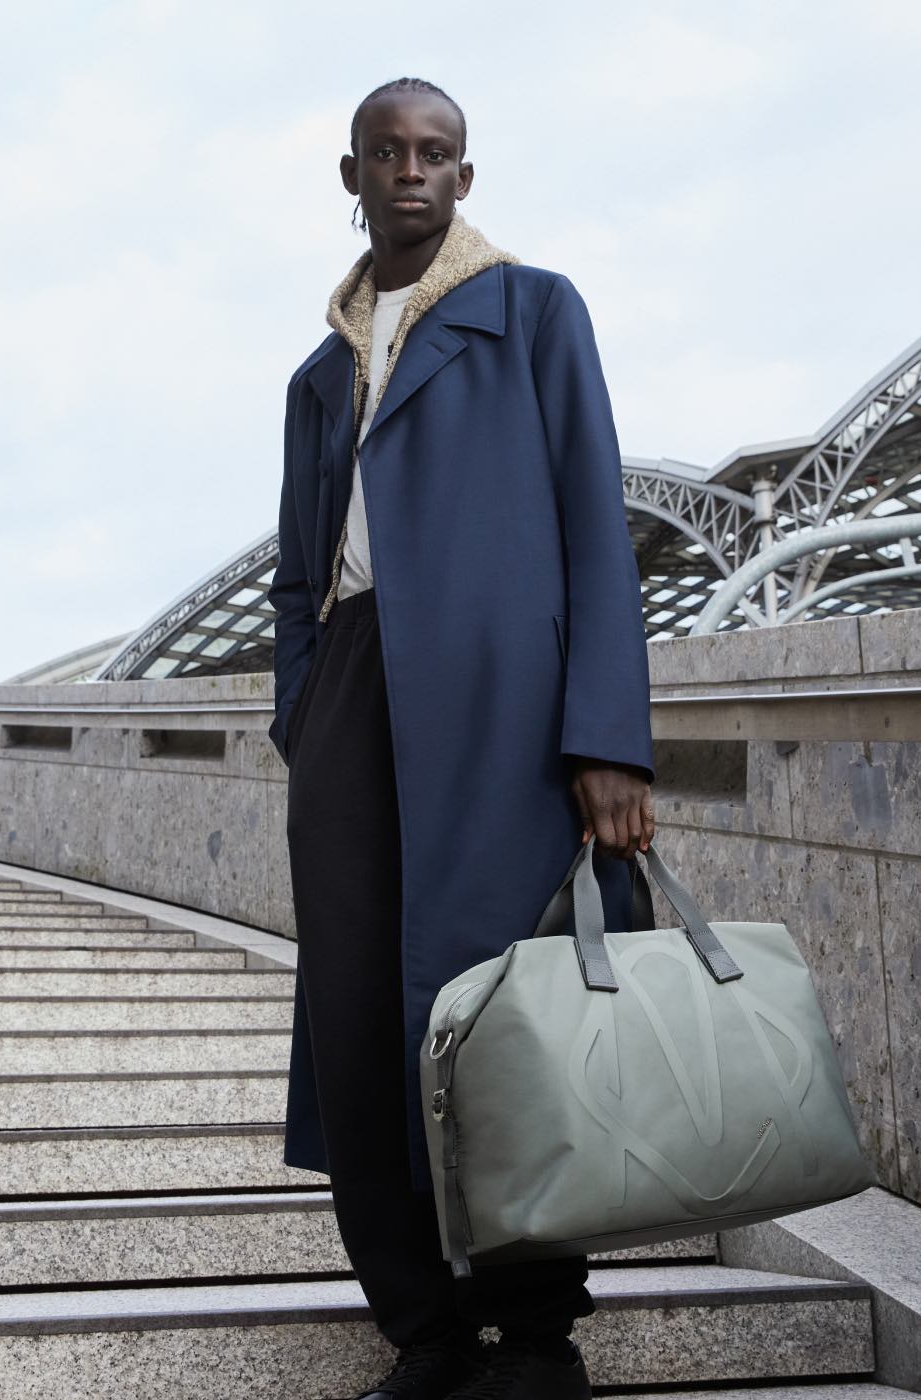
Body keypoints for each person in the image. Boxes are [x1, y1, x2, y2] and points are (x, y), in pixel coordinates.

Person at [268, 76, 656, 1400]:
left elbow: (595, 529)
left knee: (512, 1015)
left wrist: (607, 737)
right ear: (352, 175)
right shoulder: (319, 378)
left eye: (436, 153)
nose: (413, 172)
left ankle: (536, 1332)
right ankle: (423, 1331)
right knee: (365, 1014)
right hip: (356, 700)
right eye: (389, 153)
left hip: (504, 706)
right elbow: (295, 576)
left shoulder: (533, 313)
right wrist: (299, 707)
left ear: (466, 177)